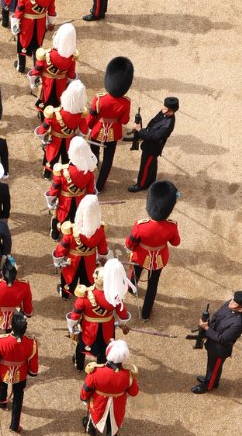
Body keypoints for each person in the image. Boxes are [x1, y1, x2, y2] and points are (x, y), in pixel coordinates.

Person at [126, 180, 181, 320]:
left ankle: (131, 288)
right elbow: (176, 242)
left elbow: (129, 243)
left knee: (136, 272)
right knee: (153, 285)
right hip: (159, 258)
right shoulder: (172, 226)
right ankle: (145, 314)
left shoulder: (141, 225)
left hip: (140, 256)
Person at [81, 339, 139, 436]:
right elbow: (134, 392)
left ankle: (91, 429)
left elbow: (86, 389)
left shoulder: (96, 371)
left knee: (92, 413)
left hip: (98, 402)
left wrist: (84, 398)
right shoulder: (128, 375)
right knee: (112, 433)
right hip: (117, 405)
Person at [67, 258, 131, 370]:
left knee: (81, 347)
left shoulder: (85, 294)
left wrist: (71, 326)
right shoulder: (114, 296)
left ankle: (79, 365)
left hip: (88, 327)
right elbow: (123, 314)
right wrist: (121, 324)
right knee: (104, 349)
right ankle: (101, 368)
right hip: (107, 327)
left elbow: (75, 314)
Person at [13, 0, 67, 73]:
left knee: (22, 44)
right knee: (37, 46)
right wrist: (51, 23)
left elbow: (19, 10)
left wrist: (15, 22)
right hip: (41, 23)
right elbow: (52, 11)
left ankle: (21, 66)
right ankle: (35, 67)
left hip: (26, 24)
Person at [0, 311, 38, 433]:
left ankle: (2, 402)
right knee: (18, 397)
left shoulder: (0, 340)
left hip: (4, 371)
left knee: (2, 386)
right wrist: (32, 372)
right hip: (20, 373)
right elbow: (33, 364)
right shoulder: (31, 342)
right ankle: (14, 426)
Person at [88, 56, 134, 189]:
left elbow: (92, 116)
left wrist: (88, 127)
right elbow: (124, 120)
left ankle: (92, 173)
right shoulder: (126, 102)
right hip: (113, 132)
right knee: (108, 160)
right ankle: (100, 186)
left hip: (97, 129)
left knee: (93, 152)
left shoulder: (99, 98)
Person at [192, 290, 242, 393]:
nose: (230, 303)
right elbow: (217, 315)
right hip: (212, 341)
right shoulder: (229, 303)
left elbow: (222, 339)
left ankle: (209, 385)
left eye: (234, 303)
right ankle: (210, 379)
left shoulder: (238, 323)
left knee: (214, 368)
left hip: (219, 349)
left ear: (240, 308)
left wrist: (206, 329)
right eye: (232, 300)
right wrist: (207, 323)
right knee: (212, 366)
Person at [53, 194, 108, 299]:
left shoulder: (72, 230)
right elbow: (103, 250)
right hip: (90, 260)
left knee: (69, 279)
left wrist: (57, 257)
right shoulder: (100, 231)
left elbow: (62, 247)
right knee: (87, 280)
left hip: (72, 260)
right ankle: (85, 297)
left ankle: (65, 294)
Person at [127, 98, 178, 192]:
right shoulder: (164, 112)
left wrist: (140, 130)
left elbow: (153, 137)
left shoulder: (167, 126)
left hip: (152, 148)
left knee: (145, 167)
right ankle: (151, 181)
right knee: (152, 164)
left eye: (165, 108)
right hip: (150, 144)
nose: (162, 108)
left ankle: (141, 185)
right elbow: (153, 122)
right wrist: (144, 130)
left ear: (171, 111)